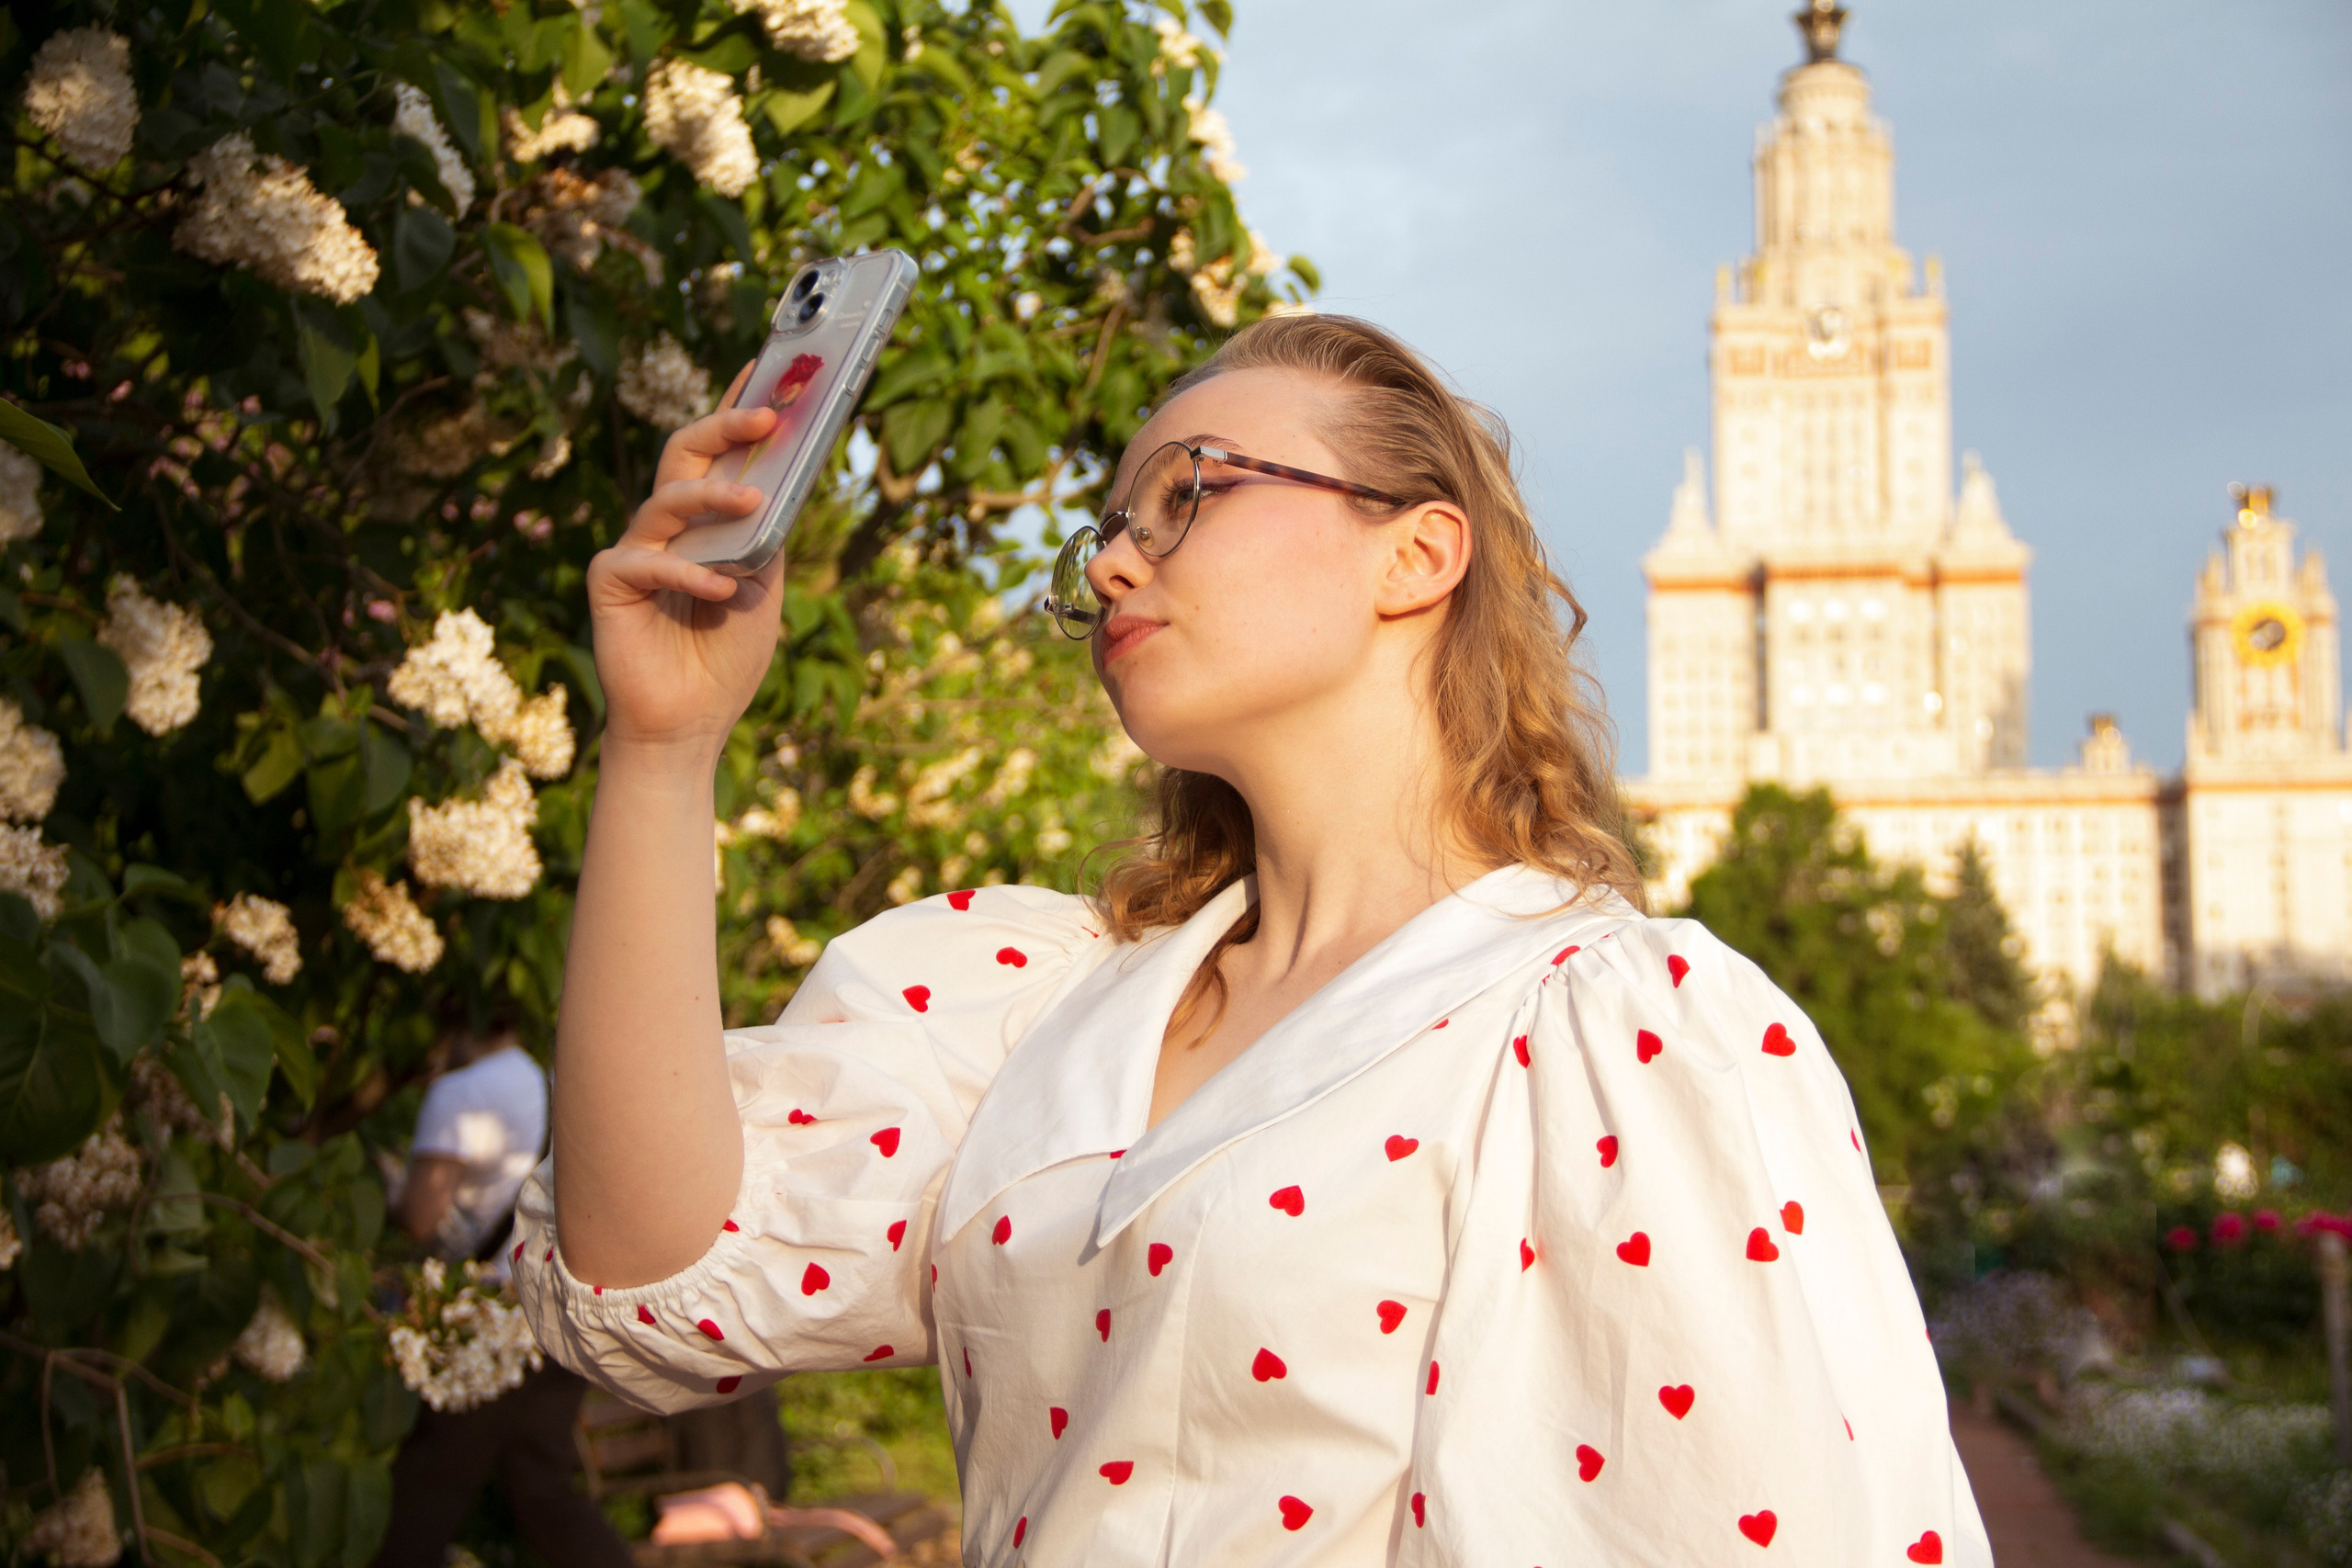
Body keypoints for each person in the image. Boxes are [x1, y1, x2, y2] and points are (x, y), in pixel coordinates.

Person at [513, 314, 1992, 1565]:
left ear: (1416, 555)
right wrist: (662, 745)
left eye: (1190, 494)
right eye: (1107, 526)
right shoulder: (1041, 1004)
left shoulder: (1611, 1033)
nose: (1109, 563)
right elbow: (649, 1266)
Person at [375, 1022, 630, 1568]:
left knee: (422, 1494)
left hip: (486, 1325)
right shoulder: (550, 1081)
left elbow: (420, 1218)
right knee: (543, 1491)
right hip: (557, 1312)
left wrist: (387, 1186)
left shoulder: (461, 1093)